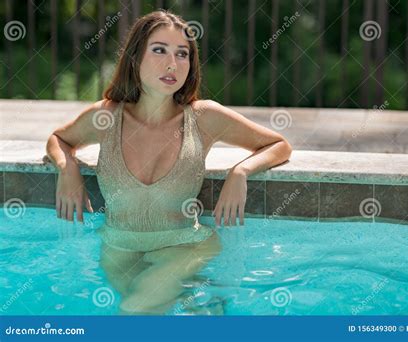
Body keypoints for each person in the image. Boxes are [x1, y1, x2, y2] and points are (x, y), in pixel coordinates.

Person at [46, 9, 292, 315]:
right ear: (135, 58)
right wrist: (67, 167)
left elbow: (279, 145)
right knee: (152, 314)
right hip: (118, 247)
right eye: (159, 50)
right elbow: (59, 139)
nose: (172, 64)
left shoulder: (204, 118)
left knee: (134, 309)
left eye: (182, 54)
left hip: (184, 244)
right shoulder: (106, 117)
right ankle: (200, 304)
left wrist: (240, 172)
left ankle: (194, 294)